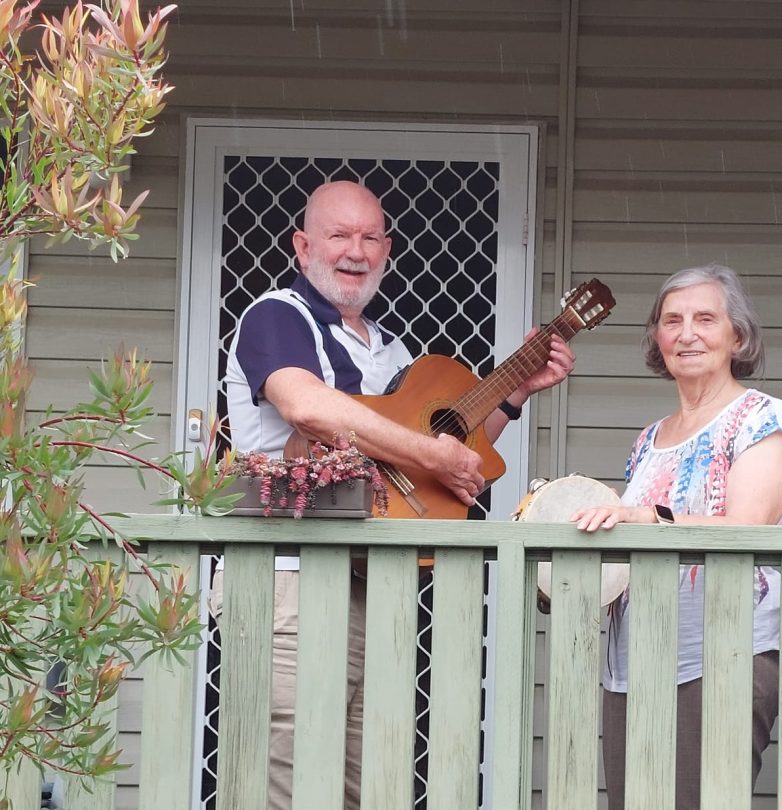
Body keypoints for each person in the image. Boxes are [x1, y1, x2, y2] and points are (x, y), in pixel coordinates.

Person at [214, 180, 575, 809]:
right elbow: (305, 404)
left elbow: (445, 459)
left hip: (376, 586)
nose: (355, 250)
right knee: (285, 781)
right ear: (303, 246)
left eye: (369, 237)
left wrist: (513, 392)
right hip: (289, 584)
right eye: (338, 235)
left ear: (386, 249)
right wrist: (430, 451)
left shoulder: (391, 350)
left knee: (367, 784)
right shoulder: (276, 315)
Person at [571, 263, 782, 810]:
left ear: (737, 336)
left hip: (723, 655)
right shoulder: (650, 439)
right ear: (657, 338)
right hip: (633, 663)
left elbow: (747, 529)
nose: (686, 333)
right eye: (671, 321)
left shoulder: (762, 418)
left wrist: (652, 518)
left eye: (705, 318)